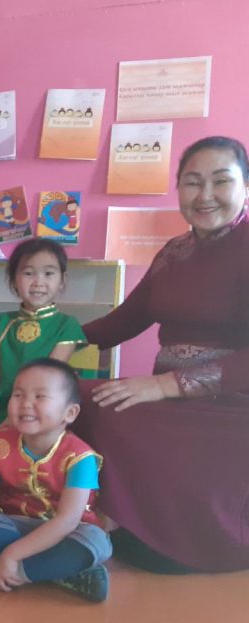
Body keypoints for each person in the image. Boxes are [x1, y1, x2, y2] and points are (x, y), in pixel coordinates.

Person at [74, 135, 249, 573]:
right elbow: (124, 320)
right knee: (74, 399)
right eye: (192, 182)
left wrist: (165, 385)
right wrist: (48, 336)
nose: (205, 195)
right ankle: (102, 526)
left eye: (220, 181)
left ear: (245, 186)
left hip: (232, 405)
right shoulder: (174, 251)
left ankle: (175, 541)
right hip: (164, 395)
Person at [0, 359, 112, 602]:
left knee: (94, 543)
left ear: (70, 413)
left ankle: (2, 571)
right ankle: (65, 573)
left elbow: (66, 521)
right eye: (18, 395)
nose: (25, 404)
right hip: (19, 524)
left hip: (71, 531)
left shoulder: (81, 458)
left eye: (39, 396)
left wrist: (13, 555)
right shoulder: (0, 442)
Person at [0, 238, 85, 431]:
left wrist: (15, 419)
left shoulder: (66, 325)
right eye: (28, 273)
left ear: (62, 280)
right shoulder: (3, 321)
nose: (38, 282)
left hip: (39, 411)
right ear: (14, 280)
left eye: (48, 274)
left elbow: (48, 376)